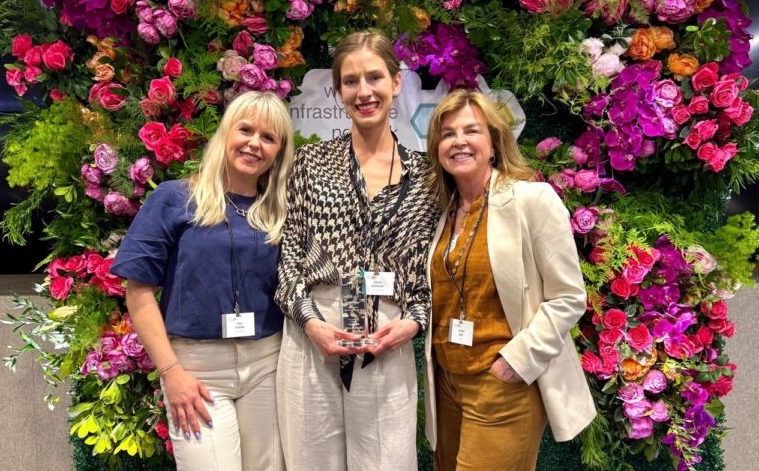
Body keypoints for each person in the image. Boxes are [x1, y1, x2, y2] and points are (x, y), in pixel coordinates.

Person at [274, 31, 439, 471]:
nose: (364, 91)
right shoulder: (310, 164)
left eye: (374, 77)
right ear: (338, 90)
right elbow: (289, 260)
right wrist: (311, 324)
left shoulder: (425, 176)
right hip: (314, 332)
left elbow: (427, 271)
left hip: (386, 335)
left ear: (396, 81)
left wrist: (412, 323)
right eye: (351, 81)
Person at [111, 91, 294, 470]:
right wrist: (170, 372)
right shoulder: (175, 198)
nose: (254, 144)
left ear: (279, 151)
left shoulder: (280, 212)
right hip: (197, 368)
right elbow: (139, 292)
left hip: (269, 364)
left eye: (268, 137)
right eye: (246, 130)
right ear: (226, 132)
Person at [423, 90, 596, 470]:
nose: (458, 141)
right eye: (448, 134)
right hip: (447, 383)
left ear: (494, 143)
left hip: (502, 383)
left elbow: (568, 297)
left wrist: (515, 362)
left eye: (471, 131)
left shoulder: (531, 200)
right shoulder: (443, 212)